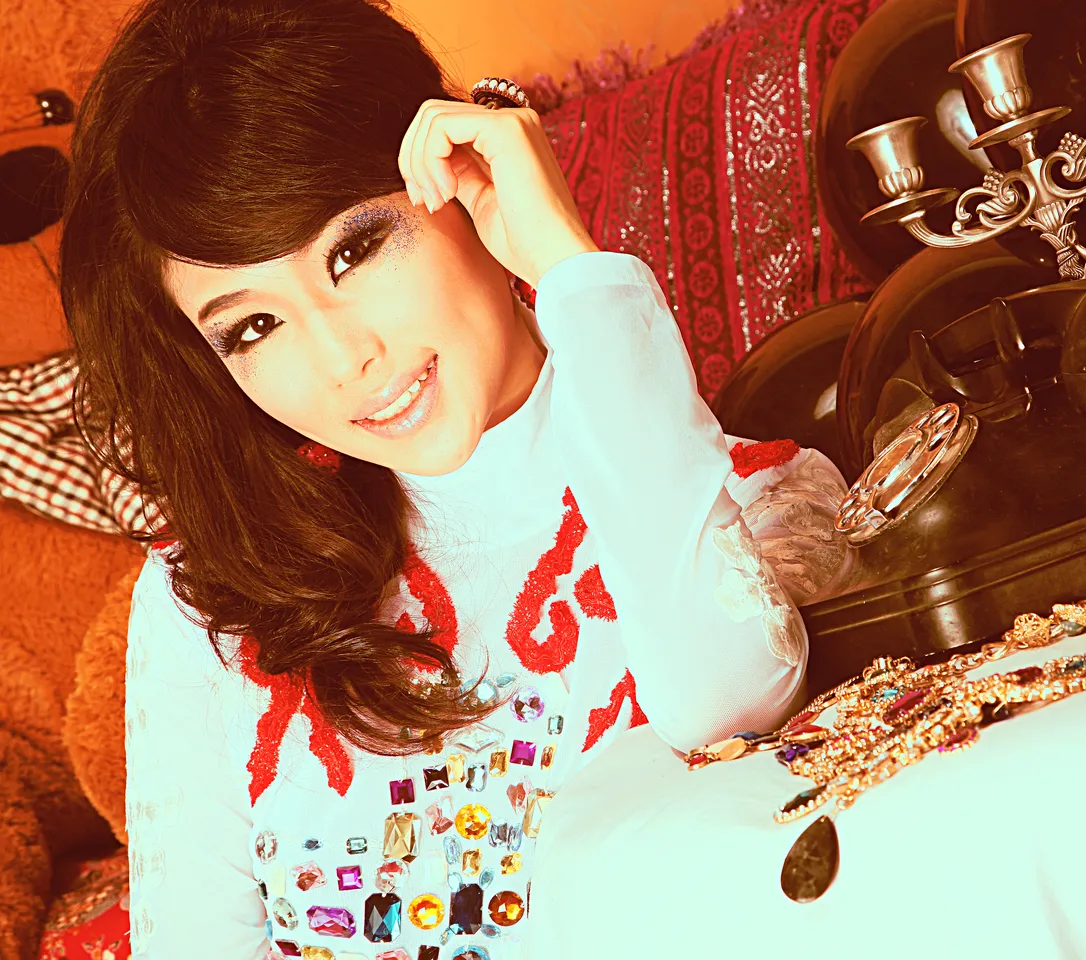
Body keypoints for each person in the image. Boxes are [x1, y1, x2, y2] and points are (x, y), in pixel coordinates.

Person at [58, 0, 852, 955]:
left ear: (467, 180)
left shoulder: (757, 502)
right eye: (254, 327)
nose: (344, 358)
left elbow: (725, 705)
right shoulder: (210, 599)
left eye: (354, 249)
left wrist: (572, 267)